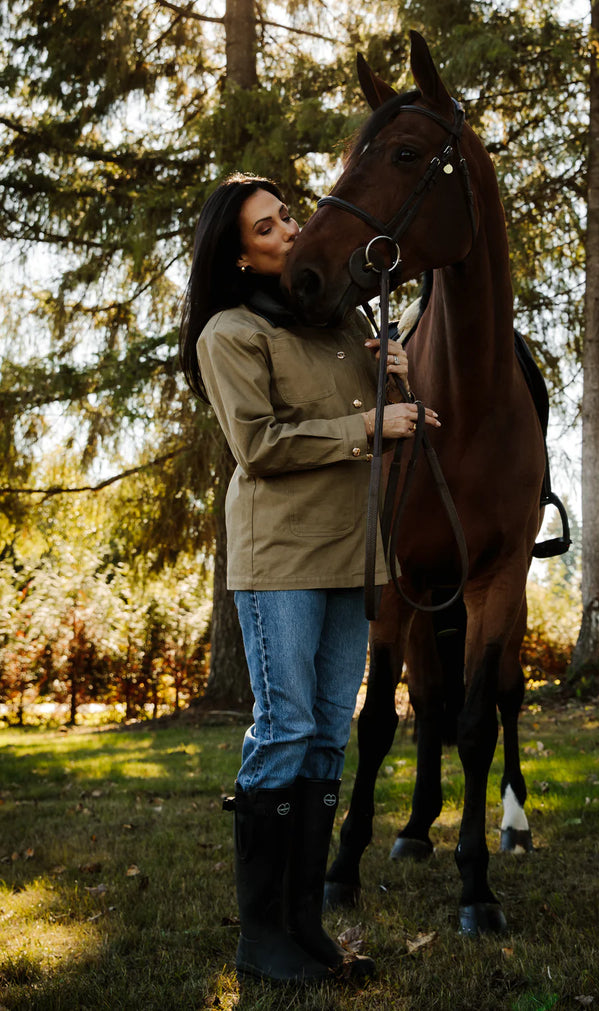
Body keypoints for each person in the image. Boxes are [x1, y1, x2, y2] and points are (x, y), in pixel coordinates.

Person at [178, 172, 440, 985]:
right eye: (267, 228)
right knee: (286, 726)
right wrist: (370, 419)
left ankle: (305, 927)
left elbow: (394, 432)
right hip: (281, 557)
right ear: (241, 256)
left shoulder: (335, 326)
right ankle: (262, 941)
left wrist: (397, 377)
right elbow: (261, 446)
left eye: (287, 216)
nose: (289, 231)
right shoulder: (228, 334)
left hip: (352, 553)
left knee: (329, 733)